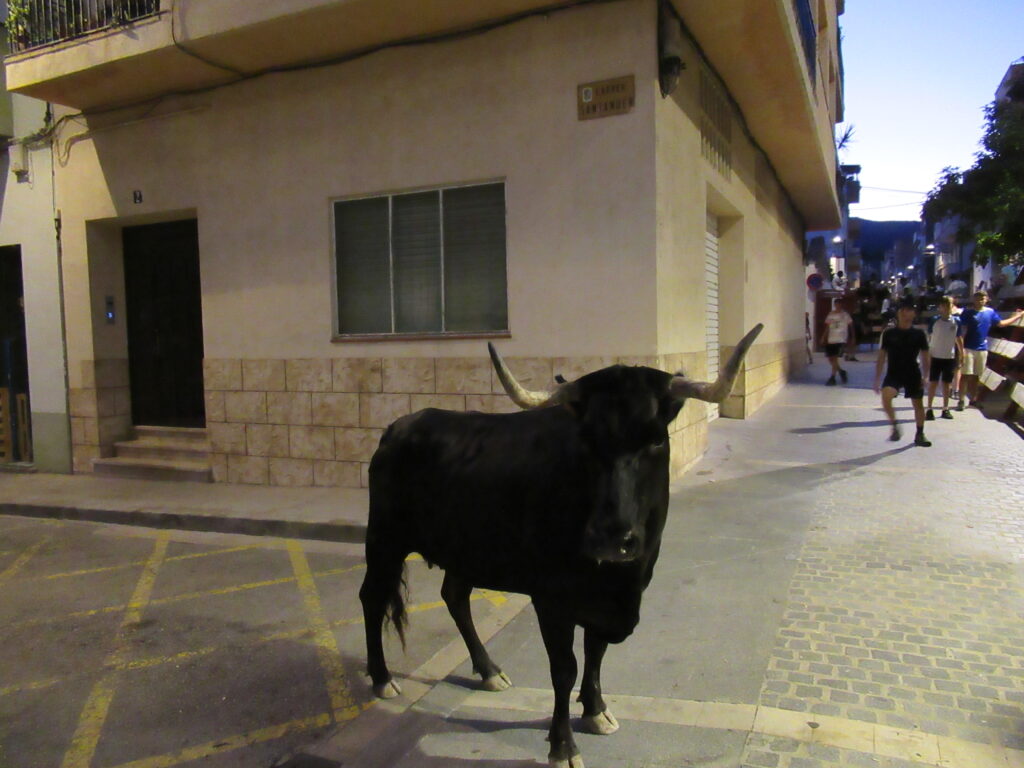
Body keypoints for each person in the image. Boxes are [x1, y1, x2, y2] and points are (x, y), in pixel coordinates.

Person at [874, 299, 932, 446]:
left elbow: (925, 356)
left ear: (914, 314)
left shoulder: (919, 334)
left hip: (912, 372)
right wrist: (877, 378)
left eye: (909, 310)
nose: (905, 313)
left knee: (918, 404)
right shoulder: (889, 333)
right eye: (902, 310)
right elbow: (881, 356)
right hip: (894, 372)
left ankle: (920, 433)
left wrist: (926, 376)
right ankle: (894, 425)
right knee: (886, 395)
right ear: (898, 313)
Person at [957, 290, 1024, 409]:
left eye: (983, 298)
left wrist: (1017, 316)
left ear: (987, 299)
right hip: (968, 347)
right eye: (978, 298)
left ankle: (973, 399)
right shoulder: (968, 313)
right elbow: (961, 331)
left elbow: (1001, 323)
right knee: (966, 374)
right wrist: (961, 350)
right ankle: (961, 400)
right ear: (974, 299)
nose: (981, 300)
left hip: (982, 347)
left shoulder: (990, 312)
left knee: (977, 375)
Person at [924, 295, 963, 421]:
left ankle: (945, 408)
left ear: (952, 306)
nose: (946, 308)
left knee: (947, 384)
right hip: (935, 355)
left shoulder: (956, 321)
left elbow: (959, 338)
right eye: (944, 306)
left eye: (949, 305)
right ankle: (929, 408)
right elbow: (929, 337)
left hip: (949, 356)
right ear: (940, 307)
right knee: (933, 383)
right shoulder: (934, 320)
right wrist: (927, 355)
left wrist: (962, 353)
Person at [819, 298, 854, 386]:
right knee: (831, 358)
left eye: (840, 304)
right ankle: (841, 371)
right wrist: (824, 337)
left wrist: (853, 337)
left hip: (841, 339)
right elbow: (827, 327)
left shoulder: (845, 315)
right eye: (837, 304)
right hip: (831, 339)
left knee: (834, 358)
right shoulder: (831, 315)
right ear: (835, 305)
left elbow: (851, 326)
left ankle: (832, 377)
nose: (838, 306)